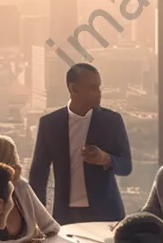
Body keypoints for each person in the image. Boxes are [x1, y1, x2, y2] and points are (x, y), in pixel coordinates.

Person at [29, 63, 132, 224]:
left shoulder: (112, 121)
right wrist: (38, 219)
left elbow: (126, 166)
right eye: (93, 87)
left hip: (106, 213)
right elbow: (38, 174)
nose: (99, 93)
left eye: (99, 87)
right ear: (73, 89)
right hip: (65, 215)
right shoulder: (49, 124)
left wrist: (105, 159)